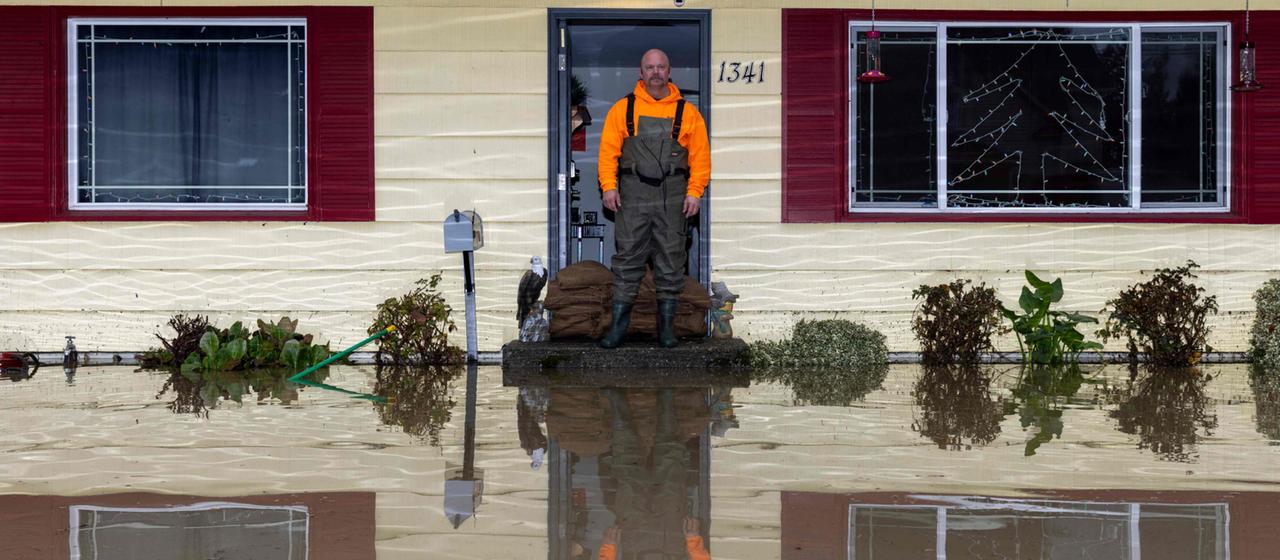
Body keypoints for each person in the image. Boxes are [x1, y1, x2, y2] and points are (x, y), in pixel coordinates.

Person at [597, 48, 711, 349]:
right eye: (650, 67)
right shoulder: (622, 109)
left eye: (661, 67)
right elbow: (608, 152)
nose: (656, 72)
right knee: (627, 259)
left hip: (674, 194)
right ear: (641, 71)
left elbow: (700, 158)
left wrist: (694, 192)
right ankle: (618, 331)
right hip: (632, 194)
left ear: (669, 71)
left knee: (672, 259)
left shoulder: (688, 113)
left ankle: (667, 332)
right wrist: (609, 187)